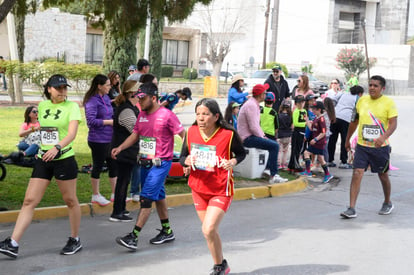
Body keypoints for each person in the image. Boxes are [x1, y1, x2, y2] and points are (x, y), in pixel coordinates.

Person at [0, 74, 82, 258]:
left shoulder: (72, 107)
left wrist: (57, 148)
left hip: (64, 158)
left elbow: (71, 134)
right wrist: (33, 135)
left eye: (65, 88)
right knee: (29, 200)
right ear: (49, 89)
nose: (62, 91)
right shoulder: (43, 106)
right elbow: (44, 129)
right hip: (43, 158)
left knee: (70, 200)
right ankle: (13, 243)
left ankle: (75, 239)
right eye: (58, 88)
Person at [111, 82, 185, 250]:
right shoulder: (141, 115)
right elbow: (135, 134)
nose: (140, 102)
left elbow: (183, 134)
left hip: (160, 164)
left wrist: (185, 155)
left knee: (146, 198)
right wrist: (121, 147)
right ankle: (167, 231)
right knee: (158, 197)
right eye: (138, 98)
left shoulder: (167, 115)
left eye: (143, 99)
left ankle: (133, 236)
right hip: (145, 163)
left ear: (153, 98)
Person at [179, 98, 246, 275]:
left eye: (205, 114)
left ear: (216, 116)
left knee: (208, 229)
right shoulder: (191, 131)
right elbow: (182, 157)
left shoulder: (228, 134)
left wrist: (232, 161)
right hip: (198, 188)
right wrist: (185, 161)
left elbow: (241, 153)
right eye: (198, 114)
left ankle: (220, 266)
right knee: (210, 232)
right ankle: (220, 265)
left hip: (220, 189)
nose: (201, 118)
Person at [340, 75, 398, 219]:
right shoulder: (361, 101)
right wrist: (347, 140)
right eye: (370, 85)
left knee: (383, 175)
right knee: (357, 173)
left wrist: (383, 137)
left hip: (380, 147)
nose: (372, 88)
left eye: (375, 86)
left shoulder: (388, 102)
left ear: (382, 88)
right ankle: (351, 208)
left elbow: (393, 124)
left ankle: (387, 202)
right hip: (362, 146)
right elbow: (354, 122)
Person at [238, 83, 288, 183]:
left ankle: (268, 170)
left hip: (248, 136)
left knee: (272, 144)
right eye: (264, 93)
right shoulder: (251, 105)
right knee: (274, 146)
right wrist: (262, 136)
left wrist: (263, 136)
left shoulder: (253, 104)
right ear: (261, 95)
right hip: (247, 138)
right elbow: (253, 127)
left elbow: (256, 125)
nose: (265, 95)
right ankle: (273, 175)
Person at [83, 74, 117, 206]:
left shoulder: (106, 97)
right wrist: (109, 122)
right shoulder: (92, 101)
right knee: (98, 165)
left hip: (109, 138)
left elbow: (109, 112)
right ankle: (95, 195)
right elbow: (91, 122)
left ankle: (115, 194)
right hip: (98, 140)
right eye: (107, 85)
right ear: (99, 86)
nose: (110, 87)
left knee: (114, 165)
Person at [109, 80, 141, 222]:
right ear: (133, 92)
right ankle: (117, 212)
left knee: (124, 181)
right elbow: (136, 130)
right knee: (122, 181)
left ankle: (121, 209)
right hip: (123, 151)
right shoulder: (127, 109)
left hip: (127, 151)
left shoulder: (131, 107)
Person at [327, 85, 364, 168]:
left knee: (332, 139)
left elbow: (333, 100)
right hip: (346, 119)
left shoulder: (343, 94)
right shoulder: (358, 98)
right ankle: (343, 162)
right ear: (360, 93)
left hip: (335, 117)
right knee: (345, 140)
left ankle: (329, 160)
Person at [299, 101, 334, 183]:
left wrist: (315, 139)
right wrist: (307, 120)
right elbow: (312, 128)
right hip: (317, 141)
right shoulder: (316, 118)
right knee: (319, 158)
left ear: (319, 110)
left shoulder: (321, 120)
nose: (313, 110)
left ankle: (310, 172)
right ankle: (326, 174)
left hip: (319, 142)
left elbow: (323, 132)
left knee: (308, 154)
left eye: (314, 109)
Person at [287, 95, 307, 172]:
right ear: (296, 103)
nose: (301, 104)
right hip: (297, 132)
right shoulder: (296, 111)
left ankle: (293, 164)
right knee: (295, 149)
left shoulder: (304, 111)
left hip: (302, 132)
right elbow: (295, 123)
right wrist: (305, 123)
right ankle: (294, 164)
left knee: (299, 148)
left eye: (302, 102)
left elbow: (305, 119)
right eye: (299, 103)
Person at [277, 99, 293, 169]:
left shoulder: (279, 115)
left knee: (279, 151)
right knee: (285, 151)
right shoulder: (290, 116)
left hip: (280, 135)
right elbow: (292, 126)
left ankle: (279, 164)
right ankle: (284, 164)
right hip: (288, 135)